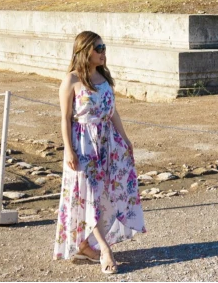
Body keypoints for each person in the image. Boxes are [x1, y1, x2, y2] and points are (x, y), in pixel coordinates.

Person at [53, 31, 146, 274]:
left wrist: (126, 140)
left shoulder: (104, 78)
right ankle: (105, 250)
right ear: (85, 51)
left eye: (104, 47)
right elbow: (64, 119)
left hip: (107, 143)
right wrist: (69, 151)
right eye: (99, 48)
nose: (104, 52)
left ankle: (84, 245)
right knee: (91, 197)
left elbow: (113, 112)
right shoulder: (71, 81)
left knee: (106, 195)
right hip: (83, 145)